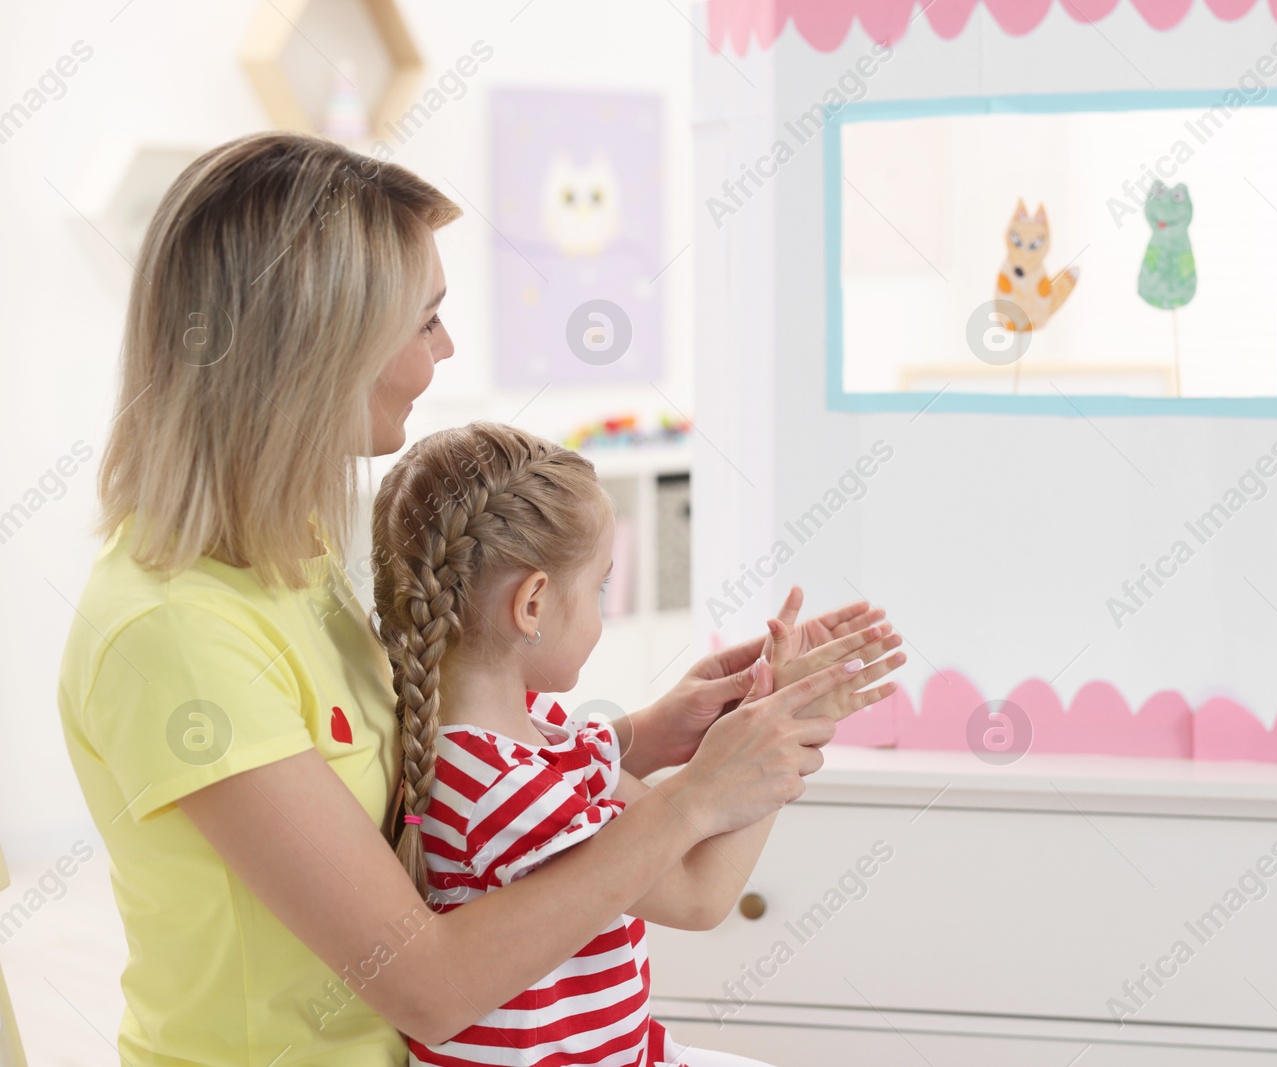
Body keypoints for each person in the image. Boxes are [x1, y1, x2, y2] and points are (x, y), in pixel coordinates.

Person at [56, 131, 896, 1065]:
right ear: (319, 344)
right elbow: (433, 984)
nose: (445, 349)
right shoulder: (175, 634)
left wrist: (643, 738)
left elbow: (413, 780)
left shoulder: (289, 553)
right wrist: (695, 799)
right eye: (425, 321)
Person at [368, 422, 903, 1064]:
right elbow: (701, 894)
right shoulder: (503, 788)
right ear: (532, 604)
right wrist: (779, 729)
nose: (602, 607)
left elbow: (643, 816)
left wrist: (749, 710)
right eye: (598, 587)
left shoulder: (521, 739)